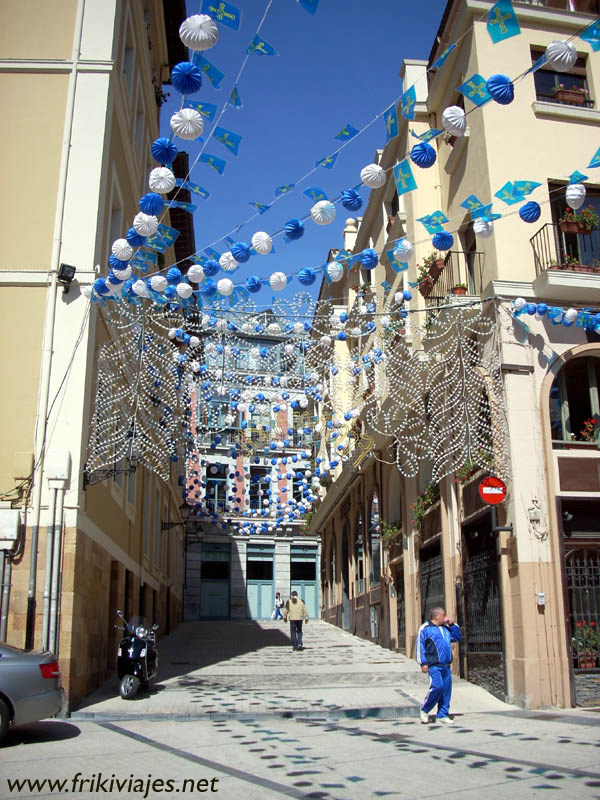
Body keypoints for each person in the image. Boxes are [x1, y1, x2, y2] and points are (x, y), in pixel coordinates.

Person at [417, 606, 462, 725]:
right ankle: (425, 709)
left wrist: (452, 624)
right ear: (437, 616)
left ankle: (442, 714)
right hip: (433, 665)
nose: (445, 617)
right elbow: (420, 646)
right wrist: (423, 663)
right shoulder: (425, 629)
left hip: (446, 665)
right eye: (443, 615)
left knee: (446, 690)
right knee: (437, 687)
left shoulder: (446, 629)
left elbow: (457, 637)